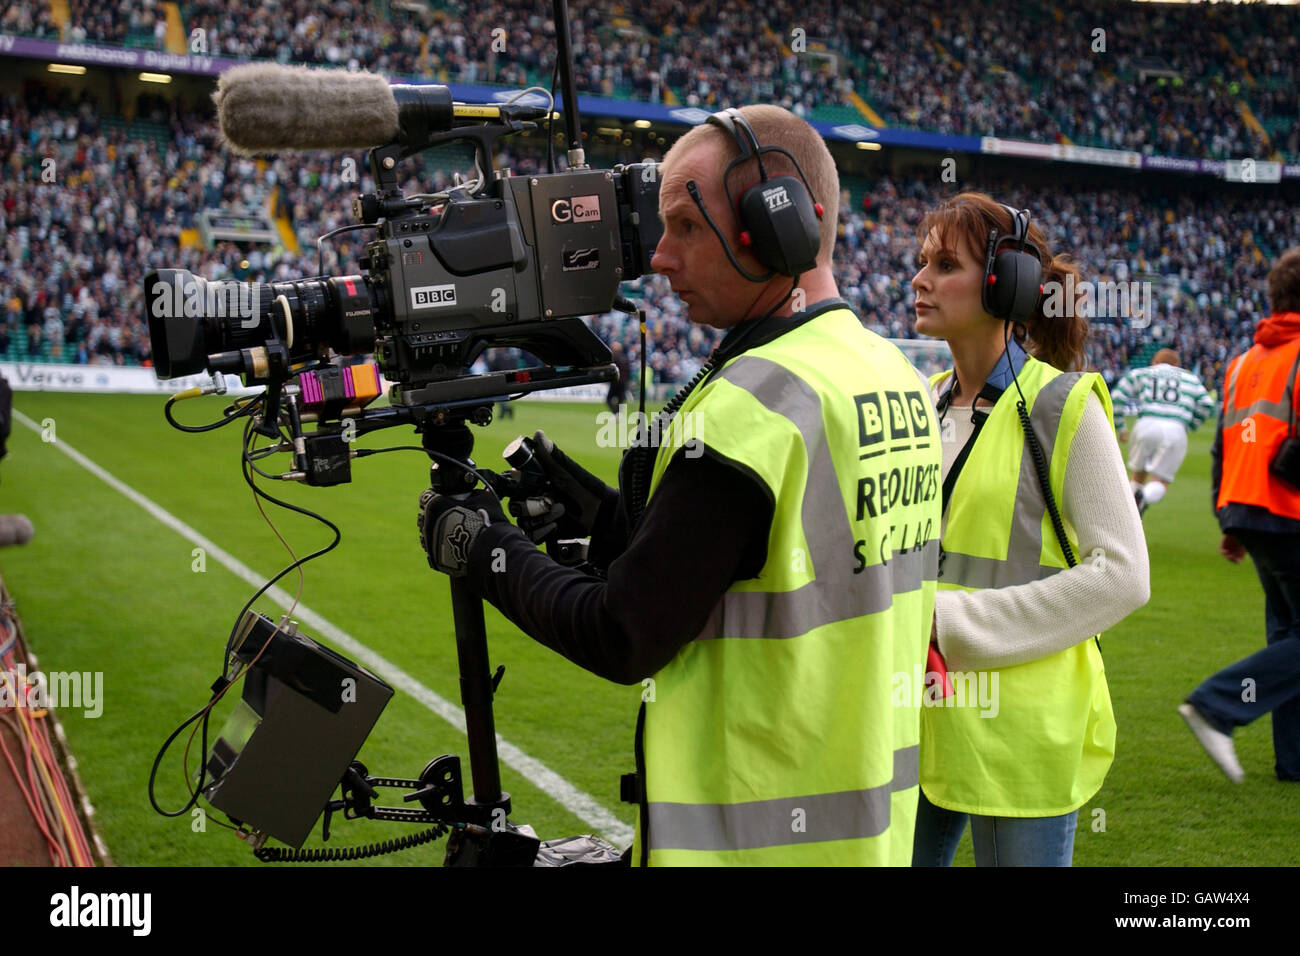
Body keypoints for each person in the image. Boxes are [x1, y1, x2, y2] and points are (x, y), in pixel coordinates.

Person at [417, 104, 942, 865]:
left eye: (686, 227)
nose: (659, 259)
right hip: (863, 838)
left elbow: (623, 631)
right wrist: (593, 510)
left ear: (786, 224)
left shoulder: (754, 410)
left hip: (745, 846)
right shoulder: (890, 373)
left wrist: (481, 547)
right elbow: (739, 555)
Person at [908, 193, 1150, 867]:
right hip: (920, 714)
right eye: (922, 260)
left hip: (1020, 732)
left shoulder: (1063, 406)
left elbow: (1125, 576)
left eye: (944, 264)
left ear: (1004, 284)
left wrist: (946, 624)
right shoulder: (924, 402)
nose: (920, 278)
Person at [1180, 246, 1300, 784]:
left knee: (1288, 638)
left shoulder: (1243, 363)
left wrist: (1227, 520)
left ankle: (1293, 762)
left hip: (1250, 511)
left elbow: (1222, 451)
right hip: (1290, 510)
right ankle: (1216, 706)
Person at [1110, 348, 1215, 514]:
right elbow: (1207, 405)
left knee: (1137, 476)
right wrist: (1190, 425)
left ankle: (1127, 513)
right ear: (1177, 364)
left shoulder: (1143, 372)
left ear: (1155, 362)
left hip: (1145, 424)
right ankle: (1143, 496)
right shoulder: (1190, 378)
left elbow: (1117, 396)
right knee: (1160, 482)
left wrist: (1120, 427)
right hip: (1174, 427)